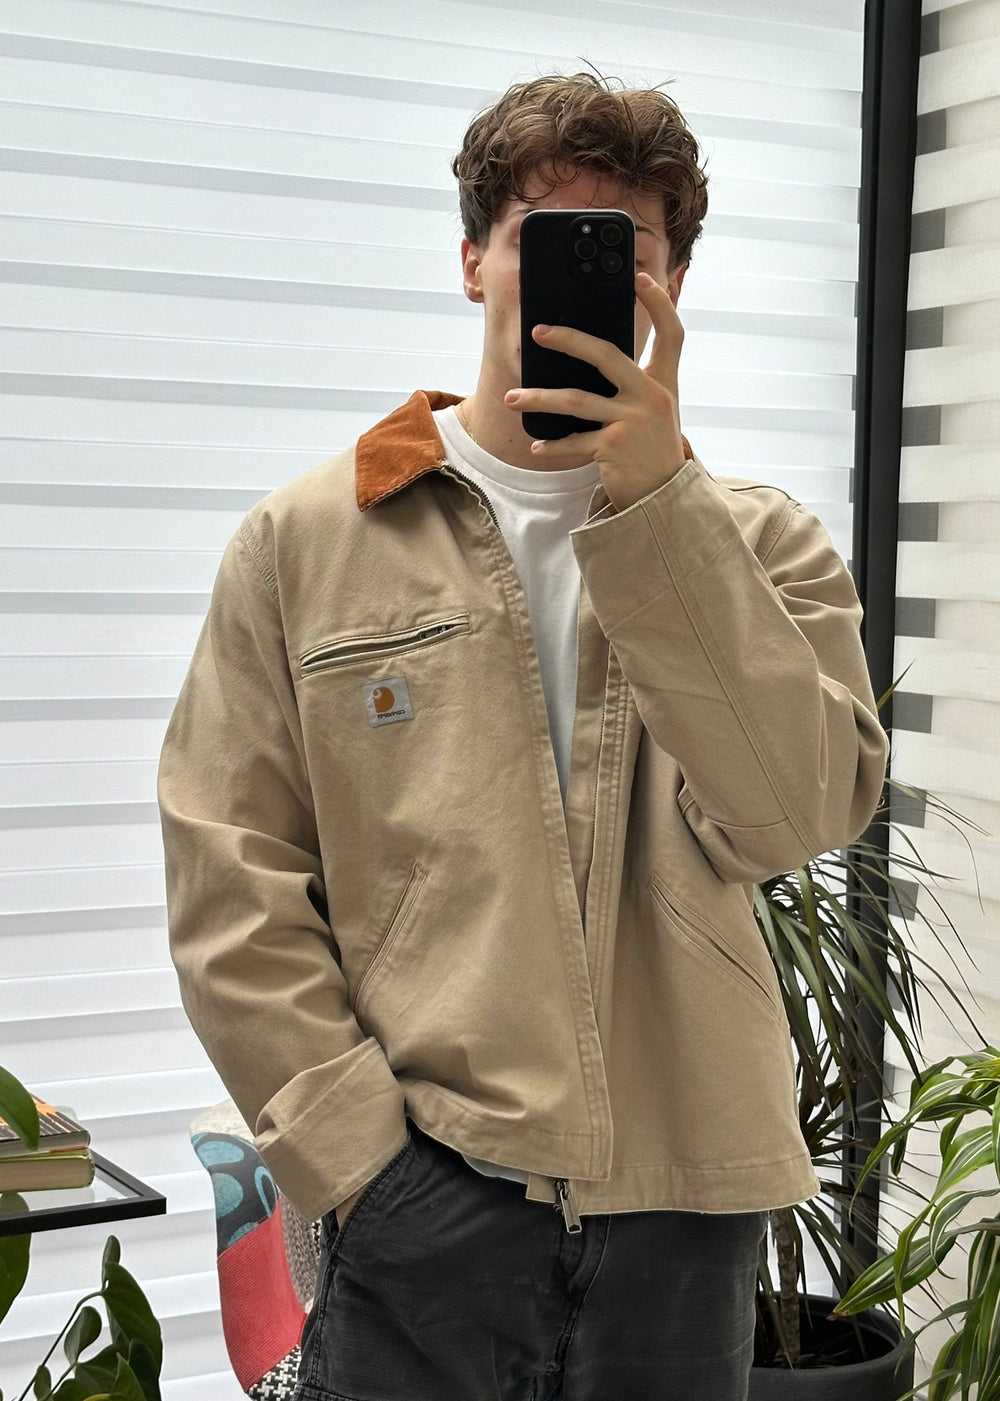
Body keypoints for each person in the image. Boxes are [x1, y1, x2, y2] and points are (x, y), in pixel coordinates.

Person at [158, 72, 888, 1401]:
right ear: (472, 260)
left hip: (685, 1208)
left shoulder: (761, 544)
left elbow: (790, 817)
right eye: (542, 239)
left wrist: (661, 514)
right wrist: (361, 1162)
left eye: (627, 249)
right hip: (420, 1189)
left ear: (670, 286)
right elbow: (231, 878)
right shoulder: (308, 542)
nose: (576, 277)